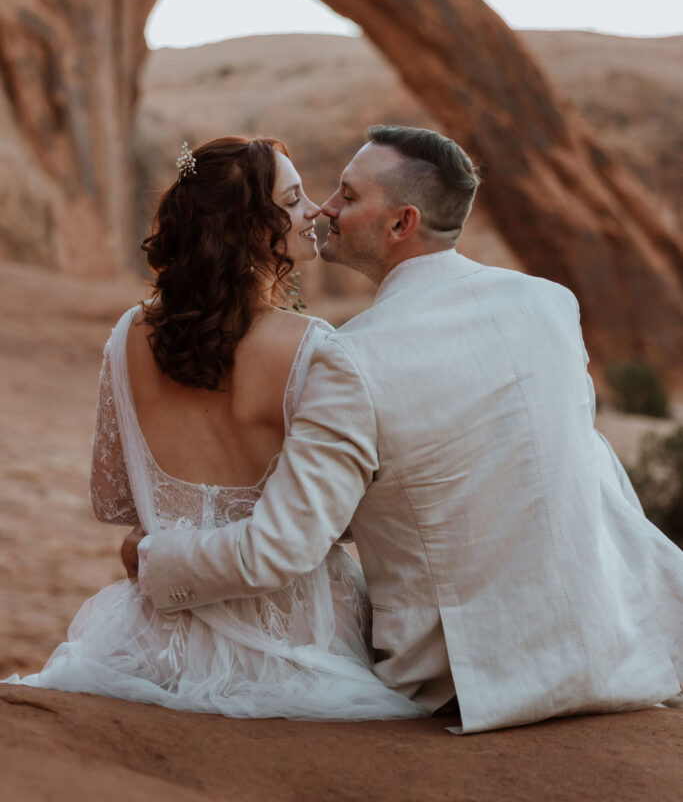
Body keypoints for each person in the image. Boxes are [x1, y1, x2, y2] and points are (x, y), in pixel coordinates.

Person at [130, 125, 683, 735]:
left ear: (401, 223)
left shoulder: (352, 360)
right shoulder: (551, 303)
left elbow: (281, 547)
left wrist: (155, 559)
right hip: (623, 638)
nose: (325, 209)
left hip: (470, 678)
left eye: (346, 194)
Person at [4, 135, 423, 720]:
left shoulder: (129, 335)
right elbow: (338, 517)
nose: (315, 212)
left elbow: (115, 499)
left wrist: (170, 525)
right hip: (297, 639)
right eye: (295, 199)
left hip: (156, 636)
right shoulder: (314, 349)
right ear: (251, 226)